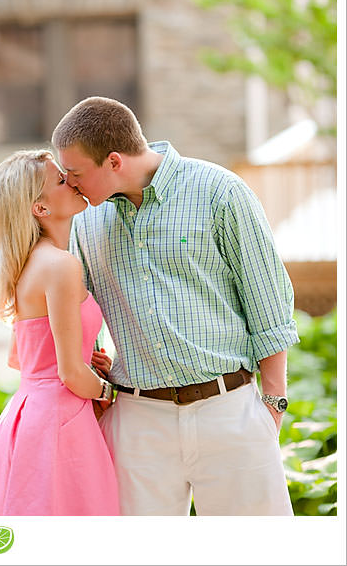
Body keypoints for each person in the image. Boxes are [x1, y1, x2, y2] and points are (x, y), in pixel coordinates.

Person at [52, 96, 297, 516]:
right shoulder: (84, 221)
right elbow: (80, 311)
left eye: (75, 174)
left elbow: (269, 304)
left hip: (229, 410)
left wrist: (271, 405)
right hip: (136, 421)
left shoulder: (220, 192)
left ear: (113, 161)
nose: (70, 184)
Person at [0, 150, 119, 516]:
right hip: (62, 422)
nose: (71, 181)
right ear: (40, 208)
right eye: (60, 180)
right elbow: (70, 375)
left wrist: (84, 356)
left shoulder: (24, 265)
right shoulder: (61, 266)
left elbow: (18, 357)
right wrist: (110, 392)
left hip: (26, 415)